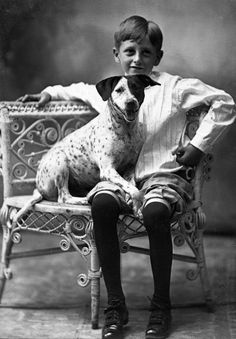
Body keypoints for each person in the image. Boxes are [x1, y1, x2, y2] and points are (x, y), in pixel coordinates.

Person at [18, 15, 235, 339]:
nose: (137, 59)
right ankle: (115, 306)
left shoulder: (174, 88)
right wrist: (48, 94)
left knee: (155, 211)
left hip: (163, 176)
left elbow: (225, 102)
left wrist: (196, 147)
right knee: (103, 204)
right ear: (117, 54)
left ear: (157, 57)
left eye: (146, 52)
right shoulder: (111, 90)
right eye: (130, 51)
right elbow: (74, 90)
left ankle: (161, 306)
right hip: (121, 177)